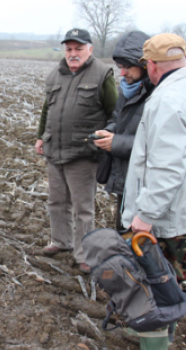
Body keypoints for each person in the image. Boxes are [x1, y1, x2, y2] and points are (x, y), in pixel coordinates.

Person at [35, 28, 118, 273]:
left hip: (83, 153)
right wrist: (40, 137)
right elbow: (46, 110)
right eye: (69, 49)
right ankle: (61, 241)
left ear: (90, 50)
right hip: (55, 149)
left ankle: (84, 254)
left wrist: (107, 138)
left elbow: (114, 113)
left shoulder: (102, 73)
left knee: (83, 207)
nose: (73, 53)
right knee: (56, 201)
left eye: (78, 48)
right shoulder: (55, 74)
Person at [122, 33, 186, 350]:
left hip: (168, 216)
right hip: (180, 210)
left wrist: (145, 215)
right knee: (174, 281)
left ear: (152, 65)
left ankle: (158, 342)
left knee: (156, 283)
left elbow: (166, 167)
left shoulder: (166, 100)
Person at [94, 31, 154, 230]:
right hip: (125, 178)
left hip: (147, 186)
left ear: (145, 64)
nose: (122, 73)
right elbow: (117, 119)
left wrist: (116, 142)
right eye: (120, 67)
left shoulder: (158, 96)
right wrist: (107, 132)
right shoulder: (127, 90)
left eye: (127, 66)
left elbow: (157, 144)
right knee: (123, 234)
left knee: (143, 243)